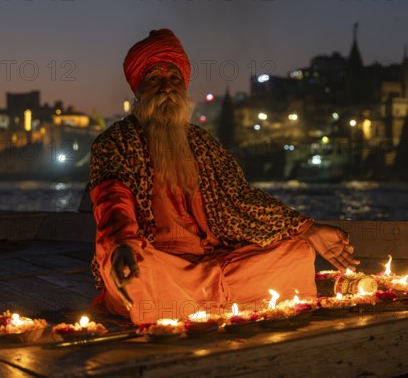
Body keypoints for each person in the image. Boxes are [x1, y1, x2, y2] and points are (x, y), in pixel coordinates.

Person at [89, 28, 358, 323]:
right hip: (160, 262)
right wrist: (121, 244)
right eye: (155, 79)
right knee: (138, 275)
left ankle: (199, 302)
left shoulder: (203, 143)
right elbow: (112, 199)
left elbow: (241, 198)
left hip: (217, 263)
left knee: (297, 253)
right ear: (138, 89)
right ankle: (216, 301)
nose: (167, 88)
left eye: (174, 79)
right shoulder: (115, 141)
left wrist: (307, 228)